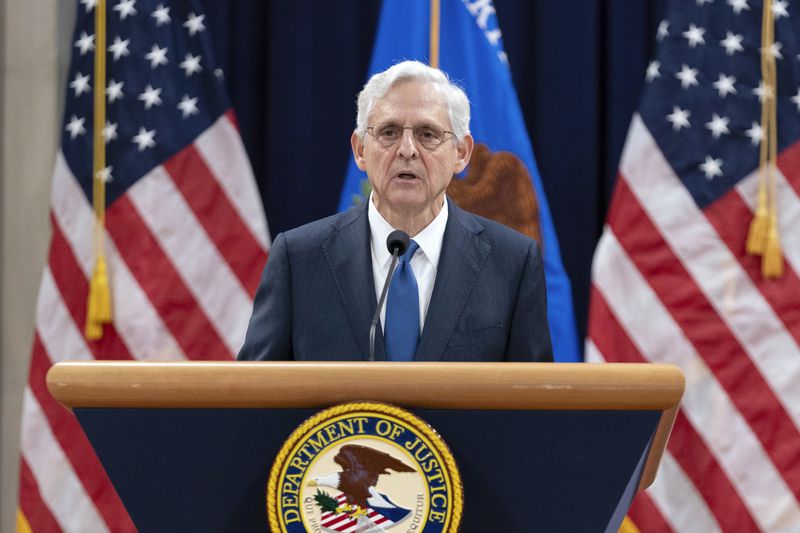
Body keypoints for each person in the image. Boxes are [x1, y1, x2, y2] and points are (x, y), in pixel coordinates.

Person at [237, 60, 552, 362]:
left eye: (427, 134)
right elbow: (255, 397)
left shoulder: (512, 263)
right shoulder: (299, 260)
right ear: (361, 150)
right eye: (389, 132)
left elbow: (533, 404)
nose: (407, 150)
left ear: (461, 153)